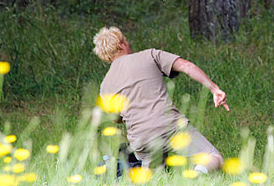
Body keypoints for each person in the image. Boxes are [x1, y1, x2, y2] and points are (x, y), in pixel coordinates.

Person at [93, 26, 229, 173]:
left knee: (156, 178)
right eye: (125, 40)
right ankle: (196, 177)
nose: (128, 43)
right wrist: (215, 89)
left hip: (141, 140)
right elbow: (187, 66)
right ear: (120, 44)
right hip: (169, 127)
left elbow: (115, 119)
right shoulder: (149, 55)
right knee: (213, 157)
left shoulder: (105, 85)